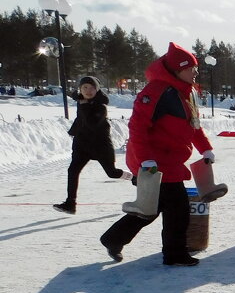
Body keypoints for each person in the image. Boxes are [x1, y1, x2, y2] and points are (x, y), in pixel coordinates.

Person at [99, 43, 217, 266]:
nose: (195, 72)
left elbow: (194, 125)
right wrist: (146, 160)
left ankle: (113, 238)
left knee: (151, 209)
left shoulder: (186, 93)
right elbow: (137, 128)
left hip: (170, 161)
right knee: (177, 209)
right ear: (177, 70)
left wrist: (205, 148)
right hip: (153, 163)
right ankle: (174, 254)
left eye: (196, 68)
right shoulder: (155, 92)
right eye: (191, 68)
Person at [53, 75, 128, 214]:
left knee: (112, 173)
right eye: (85, 87)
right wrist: (74, 130)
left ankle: (135, 179)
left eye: (92, 88)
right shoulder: (81, 101)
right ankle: (70, 204)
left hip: (101, 146)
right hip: (82, 145)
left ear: (97, 90)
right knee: (72, 171)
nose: (88, 91)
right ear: (80, 89)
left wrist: (85, 106)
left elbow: (92, 123)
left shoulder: (101, 106)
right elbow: (81, 118)